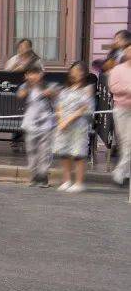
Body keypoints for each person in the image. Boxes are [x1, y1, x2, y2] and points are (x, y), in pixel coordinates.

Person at [54, 61, 94, 193]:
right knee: (65, 153)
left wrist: (68, 120)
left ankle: (79, 182)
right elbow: (59, 106)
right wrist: (60, 120)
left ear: (84, 73)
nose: (76, 72)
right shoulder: (65, 89)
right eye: (74, 70)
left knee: (78, 153)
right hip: (64, 125)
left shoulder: (87, 88)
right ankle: (66, 180)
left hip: (78, 125)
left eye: (79, 70)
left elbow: (84, 108)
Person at [18, 62, 58, 188]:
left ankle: (43, 176)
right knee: (31, 150)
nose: (34, 76)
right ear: (27, 75)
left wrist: (46, 91)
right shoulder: (25, 86)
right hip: (30, 124)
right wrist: (30, 85)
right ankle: (34, 175)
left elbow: (55, 93)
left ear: (42, 74)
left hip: (46, 125)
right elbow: (20, 95)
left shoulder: (48, 85)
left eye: (37, 73)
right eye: (31, 74)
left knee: (44, 151)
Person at [107, 46, 131, 186]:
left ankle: (120, 172)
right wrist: (128, 89)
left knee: (129, 142)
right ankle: (125, 172)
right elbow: (113, 87)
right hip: (122, 109)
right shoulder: (118, 69)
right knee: (124, 142)